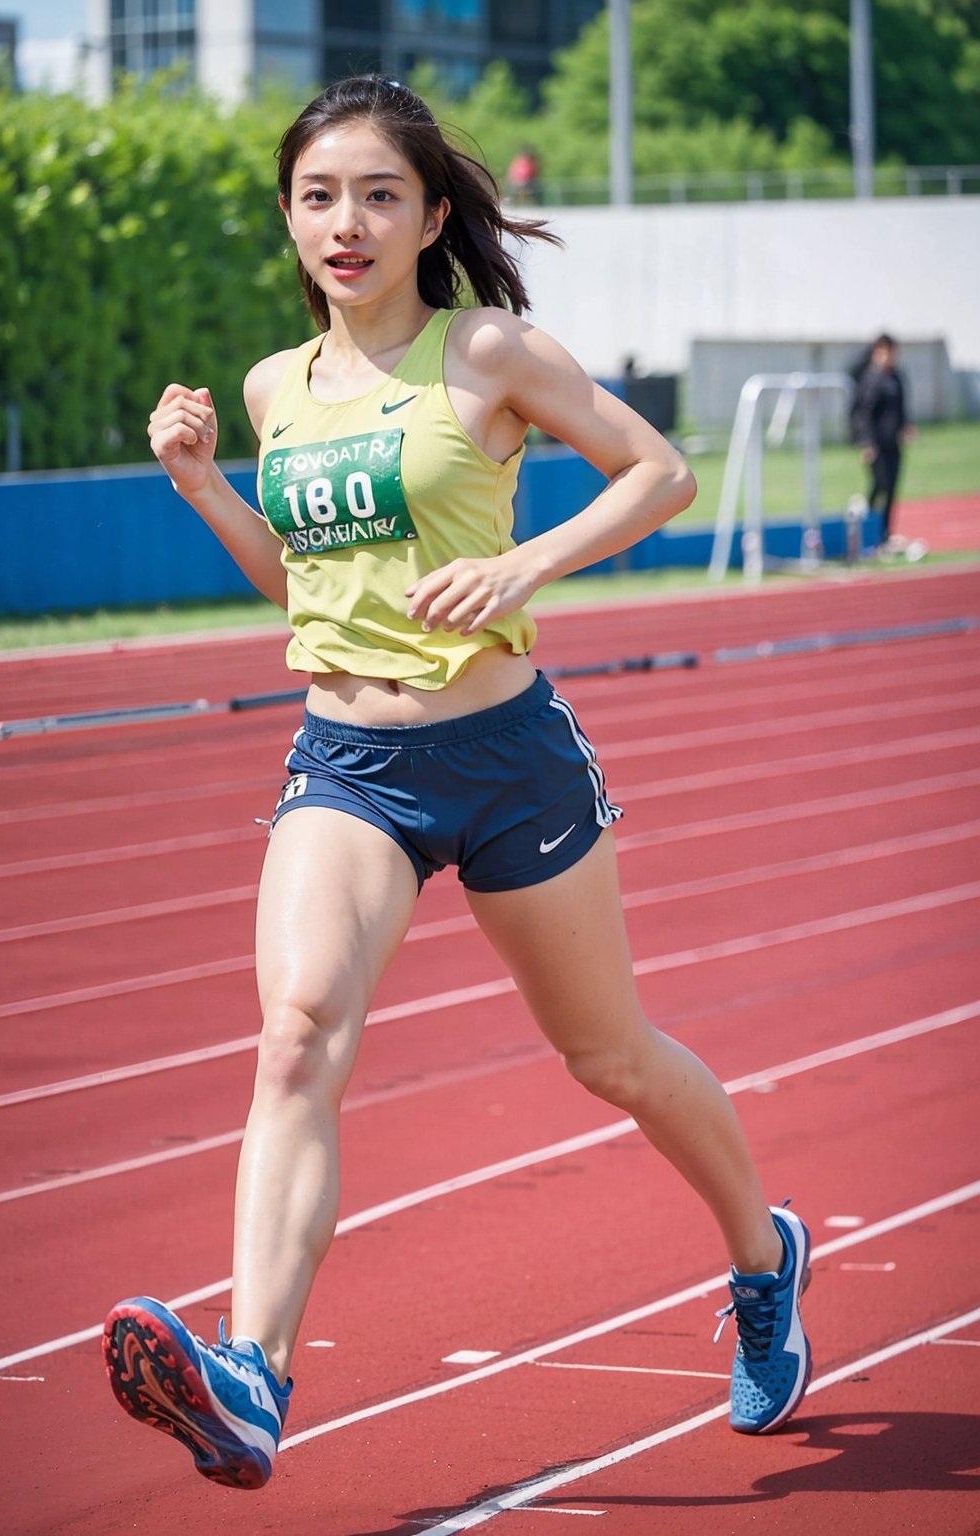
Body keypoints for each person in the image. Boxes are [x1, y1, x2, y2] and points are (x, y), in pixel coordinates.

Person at [102, 74, 811, 1491]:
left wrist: (523, 563)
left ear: (432, 214)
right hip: (347, 761)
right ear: (291, 221)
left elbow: (657, 472)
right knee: (296, 1031)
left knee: (608, 1056)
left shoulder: (486, 350)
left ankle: (762, 1254)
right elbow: (296, 589)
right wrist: (201, 485)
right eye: (318, 197)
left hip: (503, 757)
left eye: (377, 195)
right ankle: (255, 1377)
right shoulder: (271, 388)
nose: (346, 223)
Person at [849, 333, 914, 551]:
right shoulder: (871, 378)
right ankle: (867, 528)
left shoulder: (896, 376)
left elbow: (901, 407)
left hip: (893, 442)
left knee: (891, 488)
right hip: (875, 444)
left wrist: (906, 425)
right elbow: (862, 413)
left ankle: (884, 533)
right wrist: (866, 442)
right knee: (881, 485)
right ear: (879, 351)